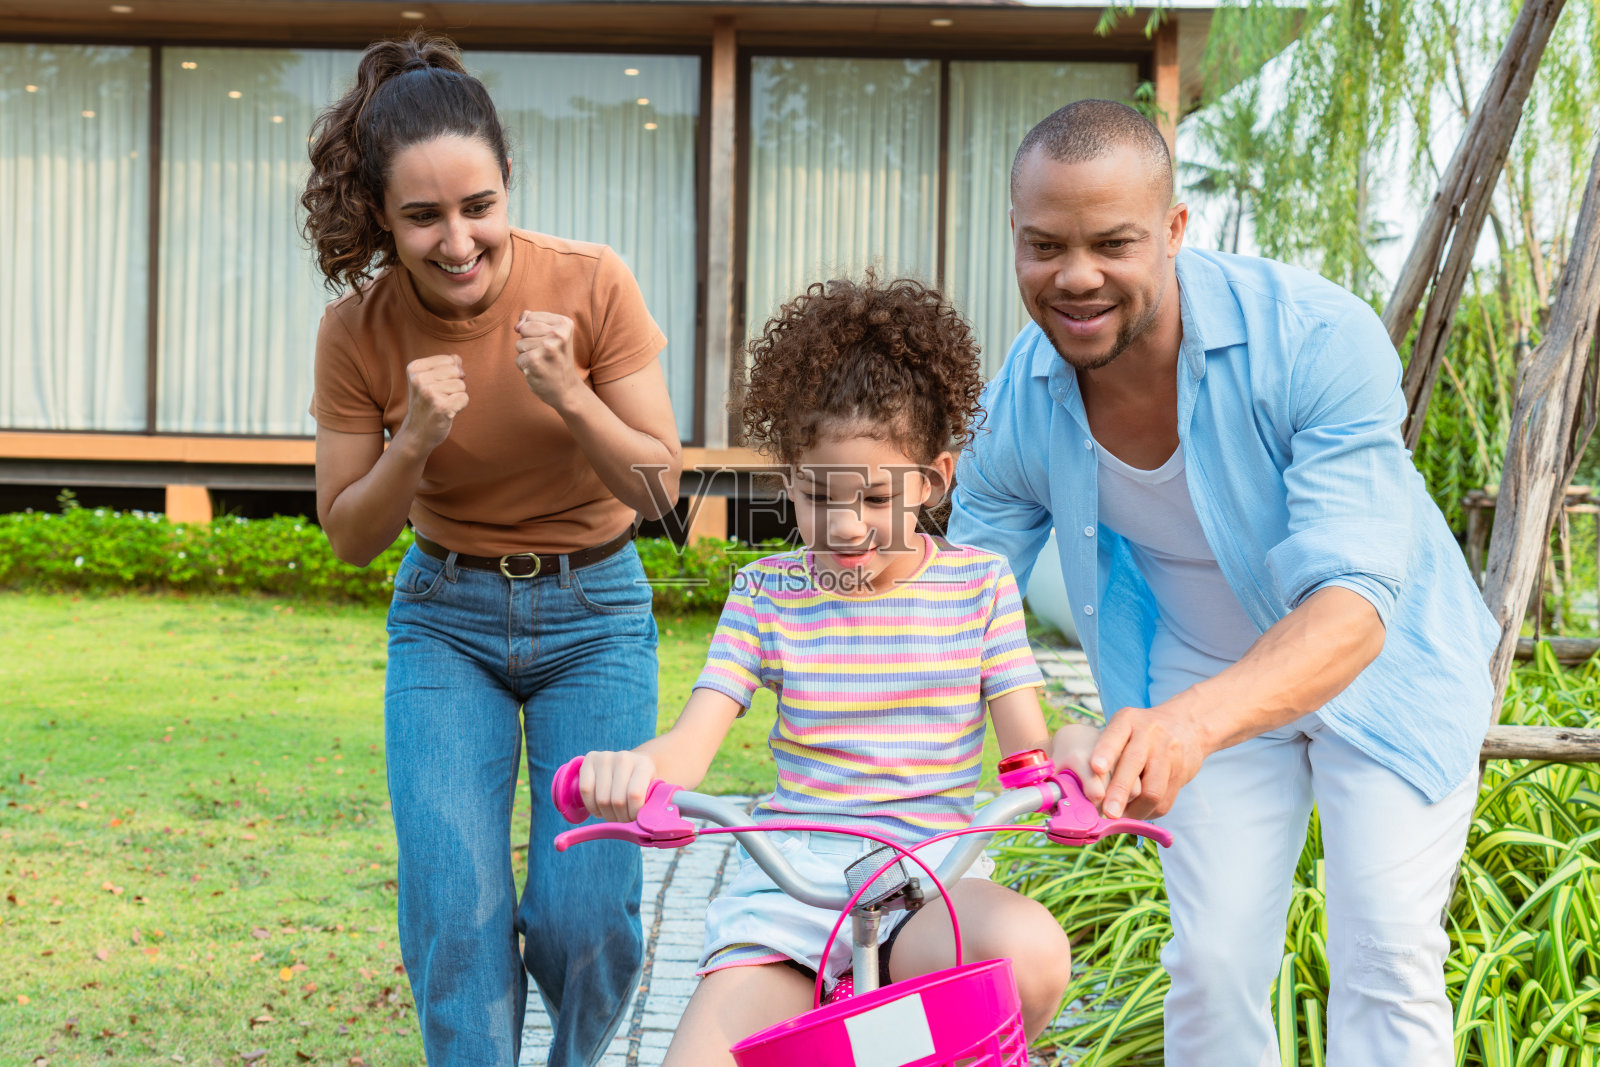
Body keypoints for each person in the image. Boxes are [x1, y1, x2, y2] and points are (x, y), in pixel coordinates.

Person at [947, 98, 1499, 1065]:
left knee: (1385, 954)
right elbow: (960, 604)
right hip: (1195, 667)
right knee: (1210, 964)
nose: (1075, 276)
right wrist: (1043, 737)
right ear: (1015, 236)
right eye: (1045, 245)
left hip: (1385, 668)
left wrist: (1189, 726)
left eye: (1113, 243)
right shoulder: (1019, 405)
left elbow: (1352, 606)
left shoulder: (1315, 337)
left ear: (1172, 230)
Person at [578, 276, 1092, 1065]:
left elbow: (1029, 754)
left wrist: (1072, 752)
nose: (847, 526)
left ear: (934, 479)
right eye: (819, 495)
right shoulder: (767, 592)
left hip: (930, 884)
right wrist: (633, 770)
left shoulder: (980, 585)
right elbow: (689, 745)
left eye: (876, 498)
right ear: (789, 481)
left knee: (1032, 952)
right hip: (793, 895)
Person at [300, 32, 682, 1067]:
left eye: (478, 205)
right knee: (454, 913)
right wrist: (414, 441)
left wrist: (572, 394)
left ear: (509, 180)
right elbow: (349, 535)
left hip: (596, 617)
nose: (457, 240)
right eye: (422, 216)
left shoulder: (591, 283)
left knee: (587, 914)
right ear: (383, 215)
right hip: (445, 620)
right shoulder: (357, 332)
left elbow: (660, 489)